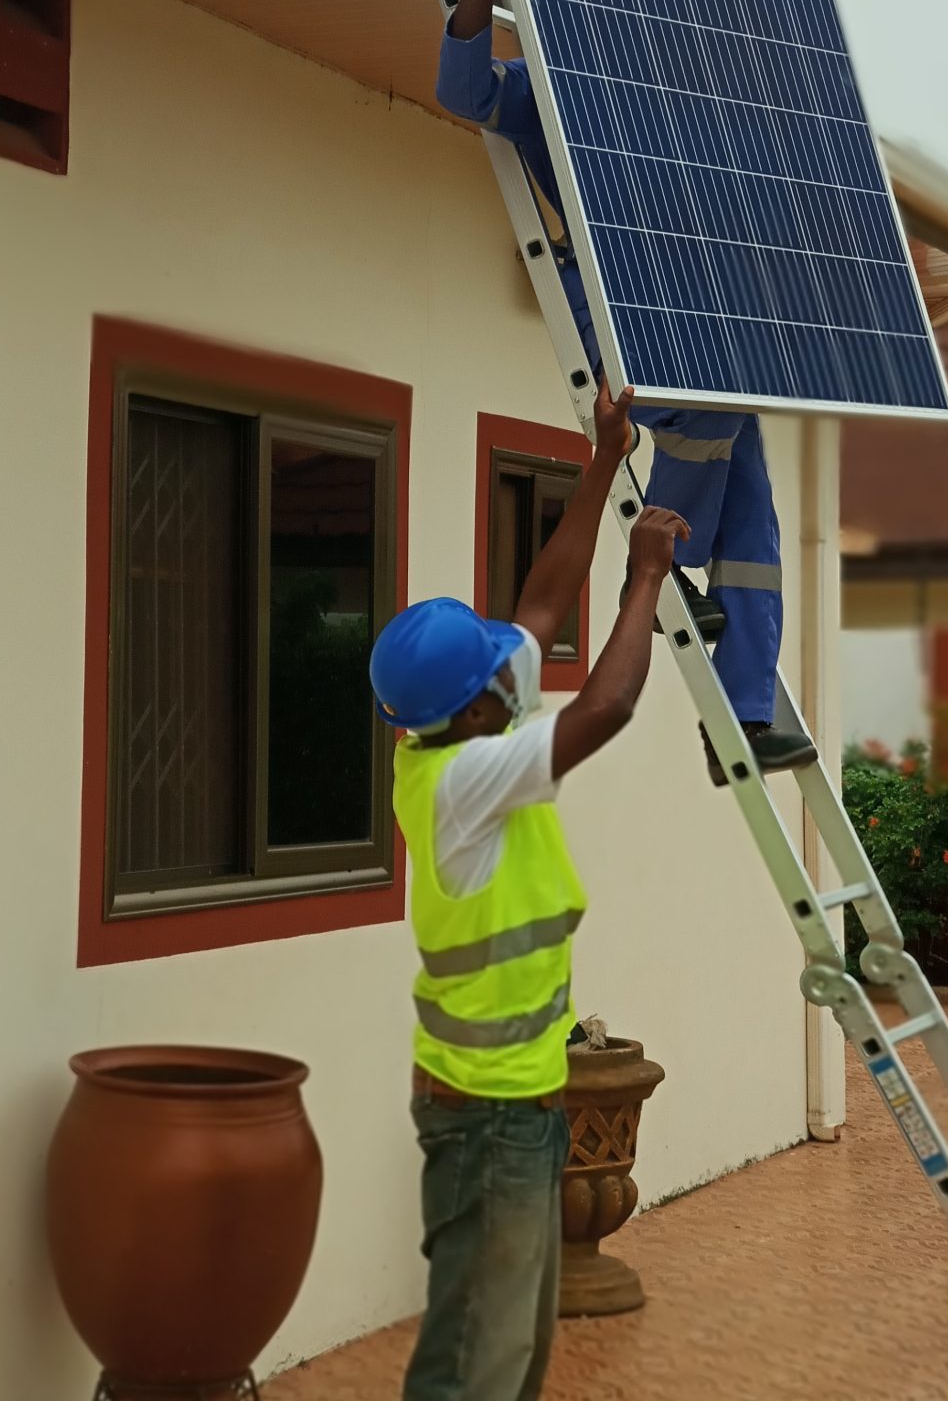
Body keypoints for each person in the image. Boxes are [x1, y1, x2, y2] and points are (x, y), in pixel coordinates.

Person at [437, 0, 835, 786]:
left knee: (752, 496)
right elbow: (462, 87)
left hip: (704, 316)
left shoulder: (710, 104)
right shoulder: (554, 85)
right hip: (613, 320)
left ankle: (743, 714)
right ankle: (664, 565)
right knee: (715, 410)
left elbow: (782, 87)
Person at [371, 380, 689, 1401]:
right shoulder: (465, 779)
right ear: (471, 711)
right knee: (479, 1357)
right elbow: (606, 706)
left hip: (519, 1101)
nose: (517, 663)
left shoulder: (456, 721)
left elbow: (542, 603)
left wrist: (604, 460)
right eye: (495, 670)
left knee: (510, 1350)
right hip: (486, 1118)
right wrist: (647, 579)